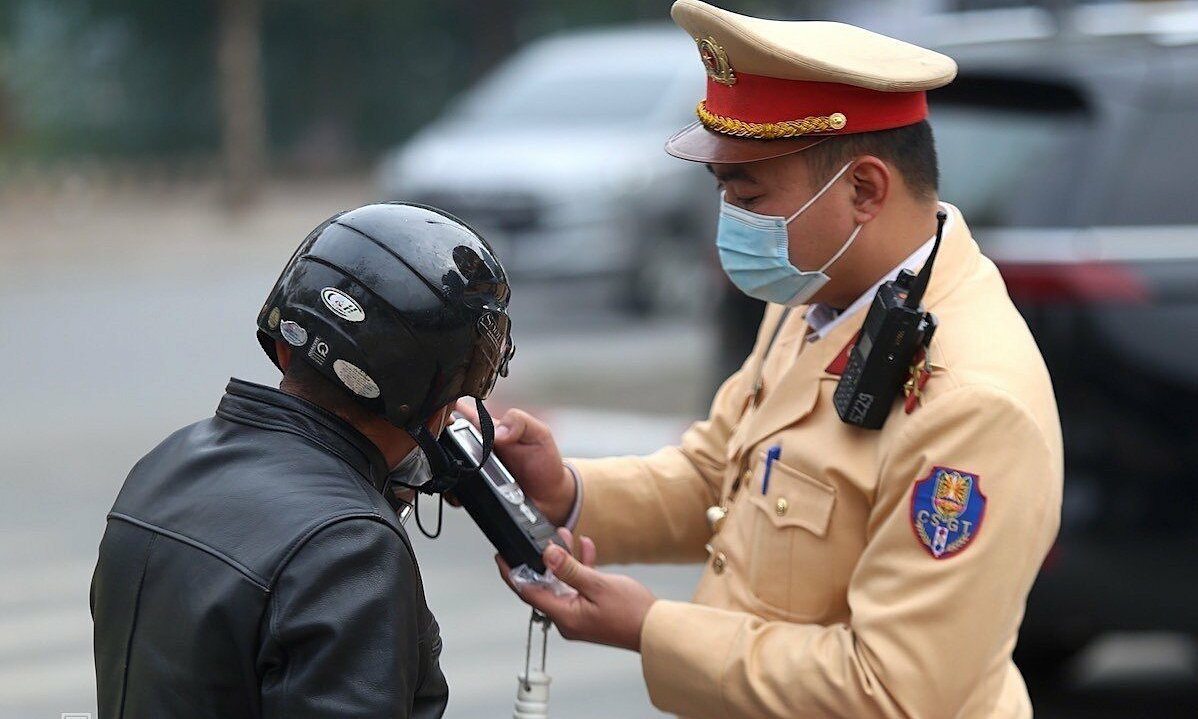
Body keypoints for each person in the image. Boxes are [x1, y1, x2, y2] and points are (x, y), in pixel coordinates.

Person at [483, 2, 1063, 717]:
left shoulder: (972, 401)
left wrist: (651, 628)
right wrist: (566, 490)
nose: (731, 220)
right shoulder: (818, 292)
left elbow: (895, 689)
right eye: (724, 191)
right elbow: (721, 472)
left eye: (749, 195)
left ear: (865, 190)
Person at [91, 202, 514, 718]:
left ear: (287, 351)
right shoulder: (350, 547)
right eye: (450, 397)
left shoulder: (163, 466)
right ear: (424, 405)